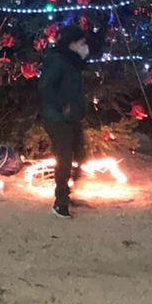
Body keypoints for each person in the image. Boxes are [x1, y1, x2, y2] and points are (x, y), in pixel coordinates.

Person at [38, 26, 90, 219]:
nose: (85, 47)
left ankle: (67, 191)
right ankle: (60, 202)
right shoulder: (58, 61)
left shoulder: (73, 61)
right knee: (65, 158)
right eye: (81, 43)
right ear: (71, 44)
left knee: (80, 154)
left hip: (72, 117)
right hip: (57, 118)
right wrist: (62, 106)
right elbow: (45, 86)